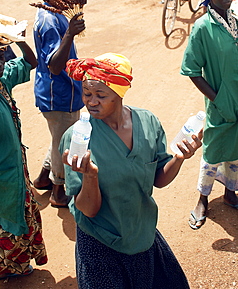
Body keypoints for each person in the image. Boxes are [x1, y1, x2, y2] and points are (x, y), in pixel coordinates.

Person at [59, 53, 202, 288]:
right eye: (86, 93)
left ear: (120, 93)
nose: (91, 101)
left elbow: (159, 178)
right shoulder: (77, 139)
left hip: (139, 233)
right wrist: (90, 176)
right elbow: (88, 210)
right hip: (100, 243)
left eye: (100, 95)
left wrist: (179, 158)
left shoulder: (148, 123)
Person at [181, 0, 238, 230]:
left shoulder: (235, 20)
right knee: (213, 150)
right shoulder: (203, 28)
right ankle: (202, 199)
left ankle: (230, 192)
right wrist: (218, 100)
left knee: (236, 147)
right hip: (221, 103)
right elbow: (192, 70)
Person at [0, 39, 48, 281]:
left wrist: (19, 39)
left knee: (18, 211)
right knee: (5, 217)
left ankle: (19, 264)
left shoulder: (1, 82)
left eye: (0, 58)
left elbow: (29, 62)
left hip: (14, 169)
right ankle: (5, 268)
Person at [32, 0, 85, 208]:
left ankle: (44, 177)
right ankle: (58, 190)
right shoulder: (50, 21)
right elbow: (54, 65)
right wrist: (70, 35)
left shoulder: (54, 12)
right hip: (57, 94)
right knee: (63, 141)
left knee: (59, 137)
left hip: (63, 91)